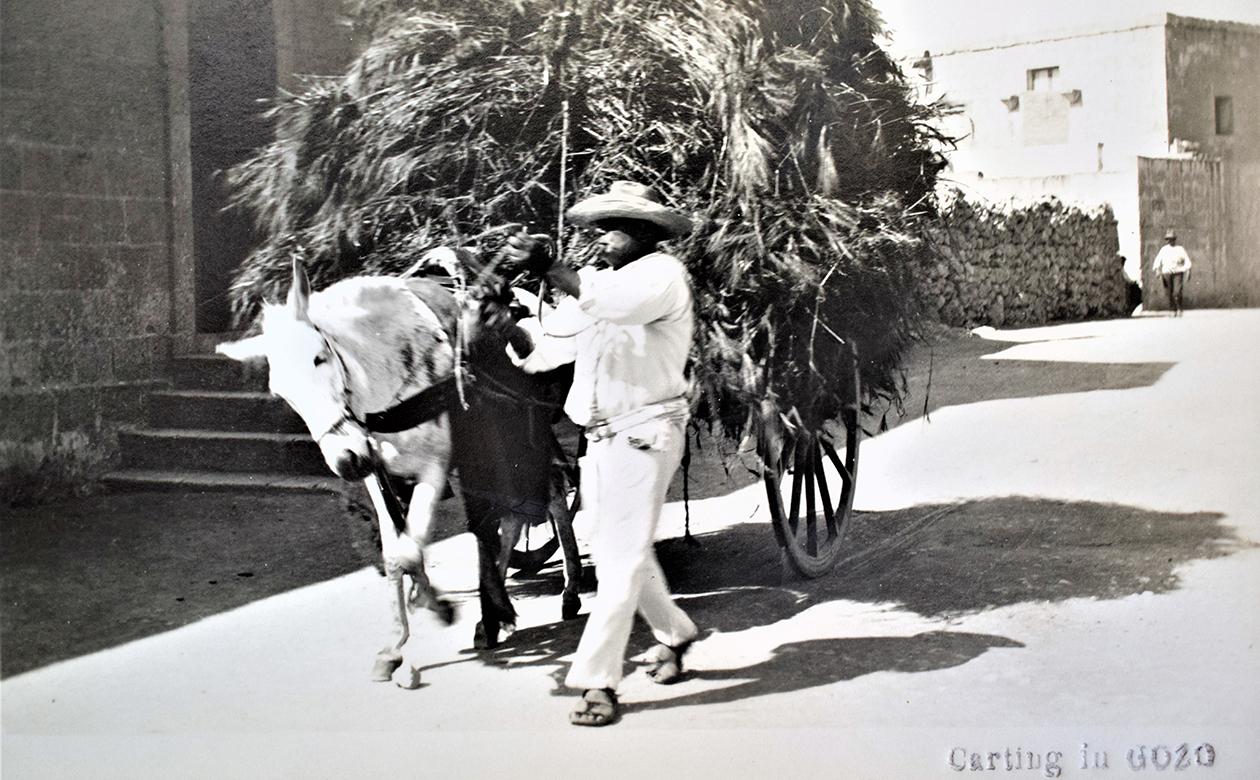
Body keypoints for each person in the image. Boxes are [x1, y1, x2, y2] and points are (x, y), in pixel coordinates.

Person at [499, 181, 700, 727]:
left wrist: (553, 267)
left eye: (610, 229)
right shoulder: (601, 284)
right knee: (623, 550)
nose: (600, 240)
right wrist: (505, 327)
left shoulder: (662, 277)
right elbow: (550, 347)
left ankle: (596, 681)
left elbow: (608, 304)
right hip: (603, 438)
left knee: (619, 561)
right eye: (598, 229)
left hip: (647, 431)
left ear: (644, 233)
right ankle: (677, 634)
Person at [1151, 230, 1192, 316]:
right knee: (1168, 292)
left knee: (1177, 292)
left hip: (1178, 272)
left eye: (1171, 239)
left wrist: (1188, 271)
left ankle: (1179, 308)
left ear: (1174, 239)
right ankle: (1173, 310)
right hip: (1167, 273)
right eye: (1168, 239)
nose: (1170, 241)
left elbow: (1187, 260)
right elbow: (1158, 261)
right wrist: (1158, 271)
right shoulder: (1164, 250)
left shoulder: (1180, 249)